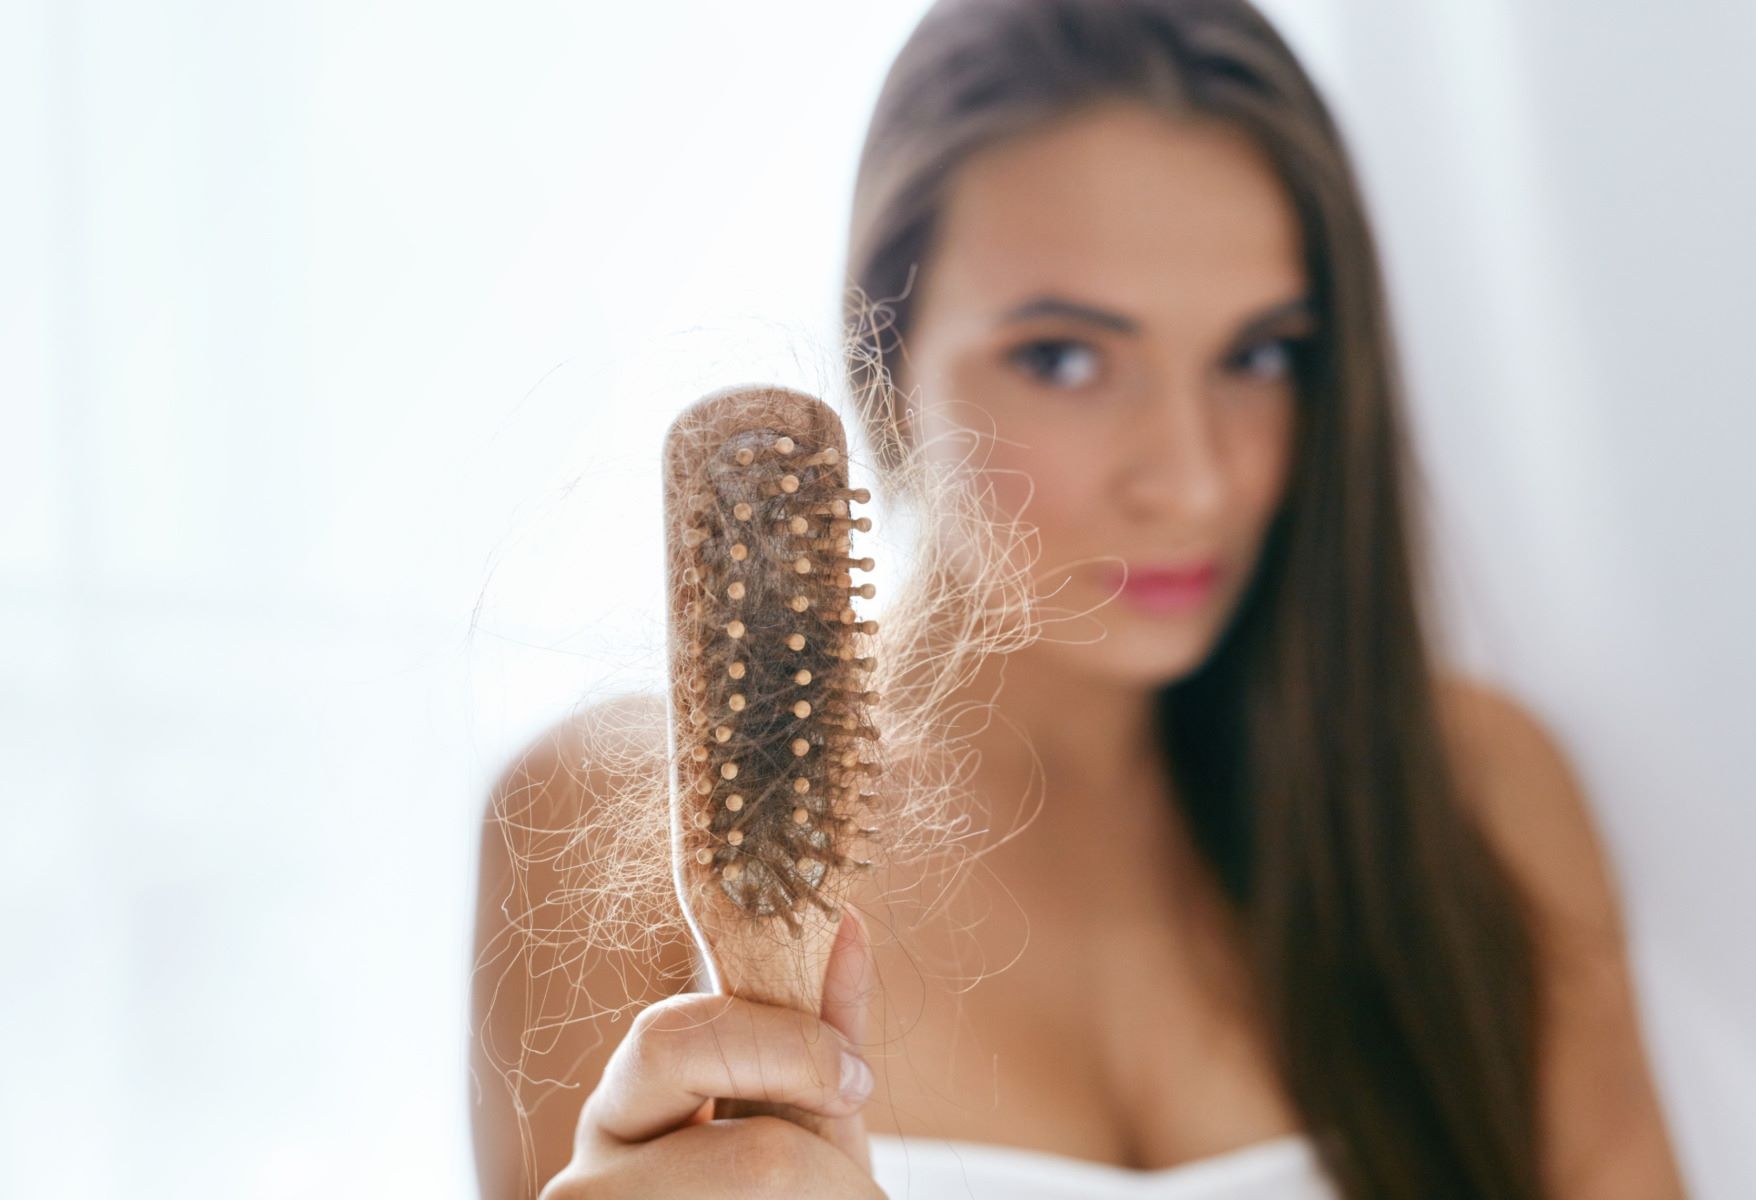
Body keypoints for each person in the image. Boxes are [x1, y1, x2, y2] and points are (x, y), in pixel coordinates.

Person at [469, 1, 1689, 1196]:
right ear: (882, 359)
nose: (1193, 477)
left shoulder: (1469, 800)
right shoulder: (609, 827)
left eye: (1261, 355)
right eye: (1066, 357)